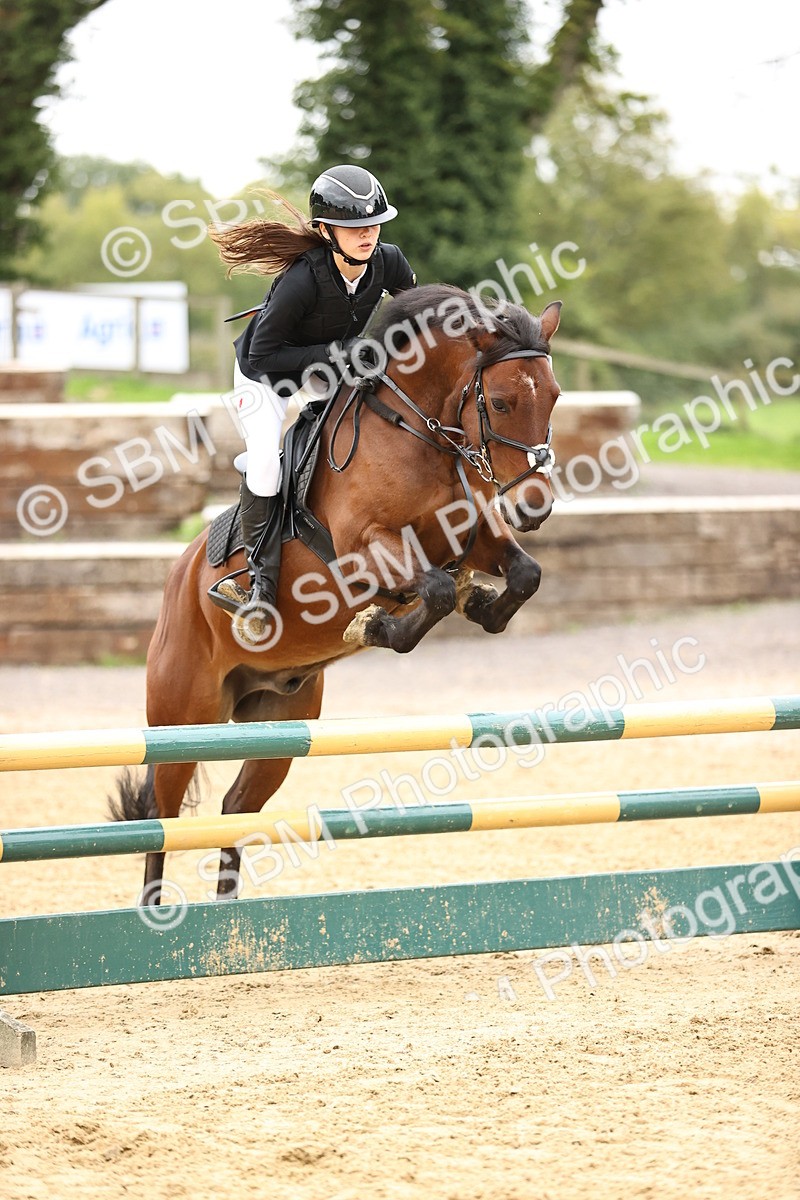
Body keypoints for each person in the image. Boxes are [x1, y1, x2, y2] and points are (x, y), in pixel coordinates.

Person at [207, 164, 416, 623]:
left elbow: (416, 319)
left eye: (373, 224)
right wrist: (340, 351)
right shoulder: (302, 279)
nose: (367, 235)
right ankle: (258, 585)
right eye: (354, 227)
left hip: (328, 366)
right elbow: (263, 355)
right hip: (266, 374)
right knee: (265, 459)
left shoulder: (390, 261)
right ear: (325, 230)